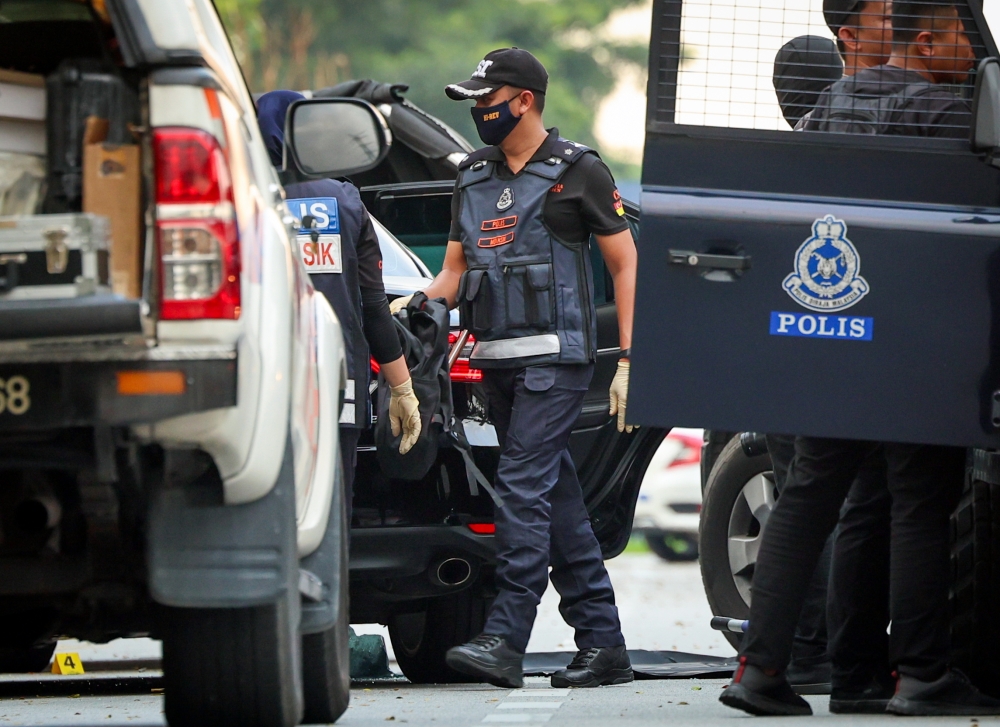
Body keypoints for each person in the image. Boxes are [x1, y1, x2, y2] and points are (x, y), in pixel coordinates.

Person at [721, 2, 1000, 717]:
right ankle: (922, 674)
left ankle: (764, 670)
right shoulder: (945, 113)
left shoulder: (827, 108)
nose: (973, 57)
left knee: (812, 494)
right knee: (919, 502)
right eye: (966, 40)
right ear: (931, 39)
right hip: (918, 339)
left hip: (835, 333)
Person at [391, 48, 639, 689]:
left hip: (555, 362)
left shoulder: (578, 170)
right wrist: (416, 304)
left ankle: (505, 636)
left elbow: (625, 264)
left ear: (523, 99)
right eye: (473, 101)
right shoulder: (472, 175)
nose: (478, 110)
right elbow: (455, 271)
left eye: (486, 98)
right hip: (494, 361)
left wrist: (630, 359)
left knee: (524, 494)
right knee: (554, 499)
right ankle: (603, 643)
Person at [256, 91, 422, 517]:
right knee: (327, 521)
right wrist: (402, 388)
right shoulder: (343, 201)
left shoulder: (239, 196)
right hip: (334, 393)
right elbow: (372, 307)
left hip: (256, 393)